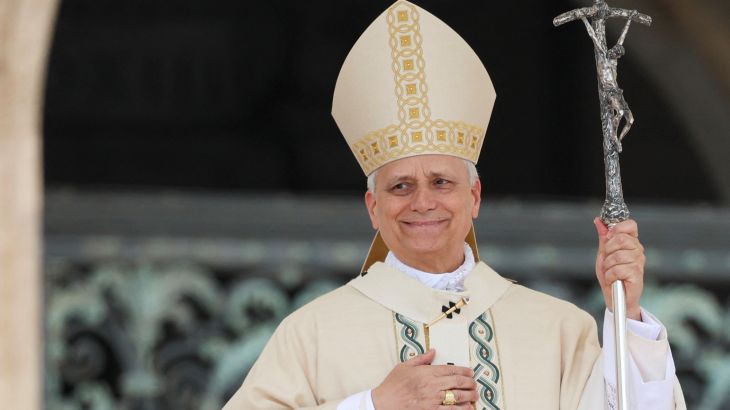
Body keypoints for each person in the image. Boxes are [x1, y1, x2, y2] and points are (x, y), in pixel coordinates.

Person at [224, 1, 686, 408]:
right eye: (400, 186)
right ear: (372, 206)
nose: (422, 202)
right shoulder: (312, 334)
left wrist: (626, 316)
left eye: (441, 182)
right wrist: (373, 405)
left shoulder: (559, 331)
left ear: (475, 196)